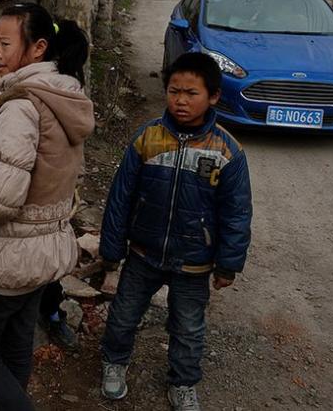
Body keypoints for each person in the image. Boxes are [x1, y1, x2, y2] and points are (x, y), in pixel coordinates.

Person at [0, 3, 94, 410]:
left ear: (37, 48)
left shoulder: (20, 105)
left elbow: (3, 194)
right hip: (43, 251)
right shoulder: (63, 95)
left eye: (4, 43)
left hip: (8, 255)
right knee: (17, 346)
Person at [97, 53, 253, 411]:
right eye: (173, 91)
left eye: (191, 93)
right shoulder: (147, 139)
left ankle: (183, 383)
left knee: (188, 328)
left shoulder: (227, 151)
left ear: (213, 96)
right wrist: (111, 247)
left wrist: (228, 263)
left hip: (194, 262)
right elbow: (121, 196)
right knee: (123, 315)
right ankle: (114, 362)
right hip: (142, 254)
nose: (181, 100)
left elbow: (236, 213)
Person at [0, 49, 80, 351]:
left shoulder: (27, 110)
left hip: (26, 220)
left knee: (42, 283)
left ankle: (51, 316)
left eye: (3, 71)